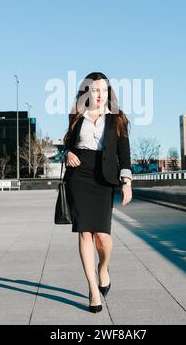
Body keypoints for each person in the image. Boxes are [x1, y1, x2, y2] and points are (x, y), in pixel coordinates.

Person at [62, 72, 133, 313]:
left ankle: (103, 269)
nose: (100, 94)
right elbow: (68, 143)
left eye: (104, 90)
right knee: (84, 234)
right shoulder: (76, 115)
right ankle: (93, 289)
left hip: (104, 178)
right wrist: (67, 153)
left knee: (102, 236)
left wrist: (126, 181)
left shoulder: (116, 118)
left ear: (108, 92)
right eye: (95, 90)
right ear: (87, 92)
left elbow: (124, 152)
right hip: (79, 175)